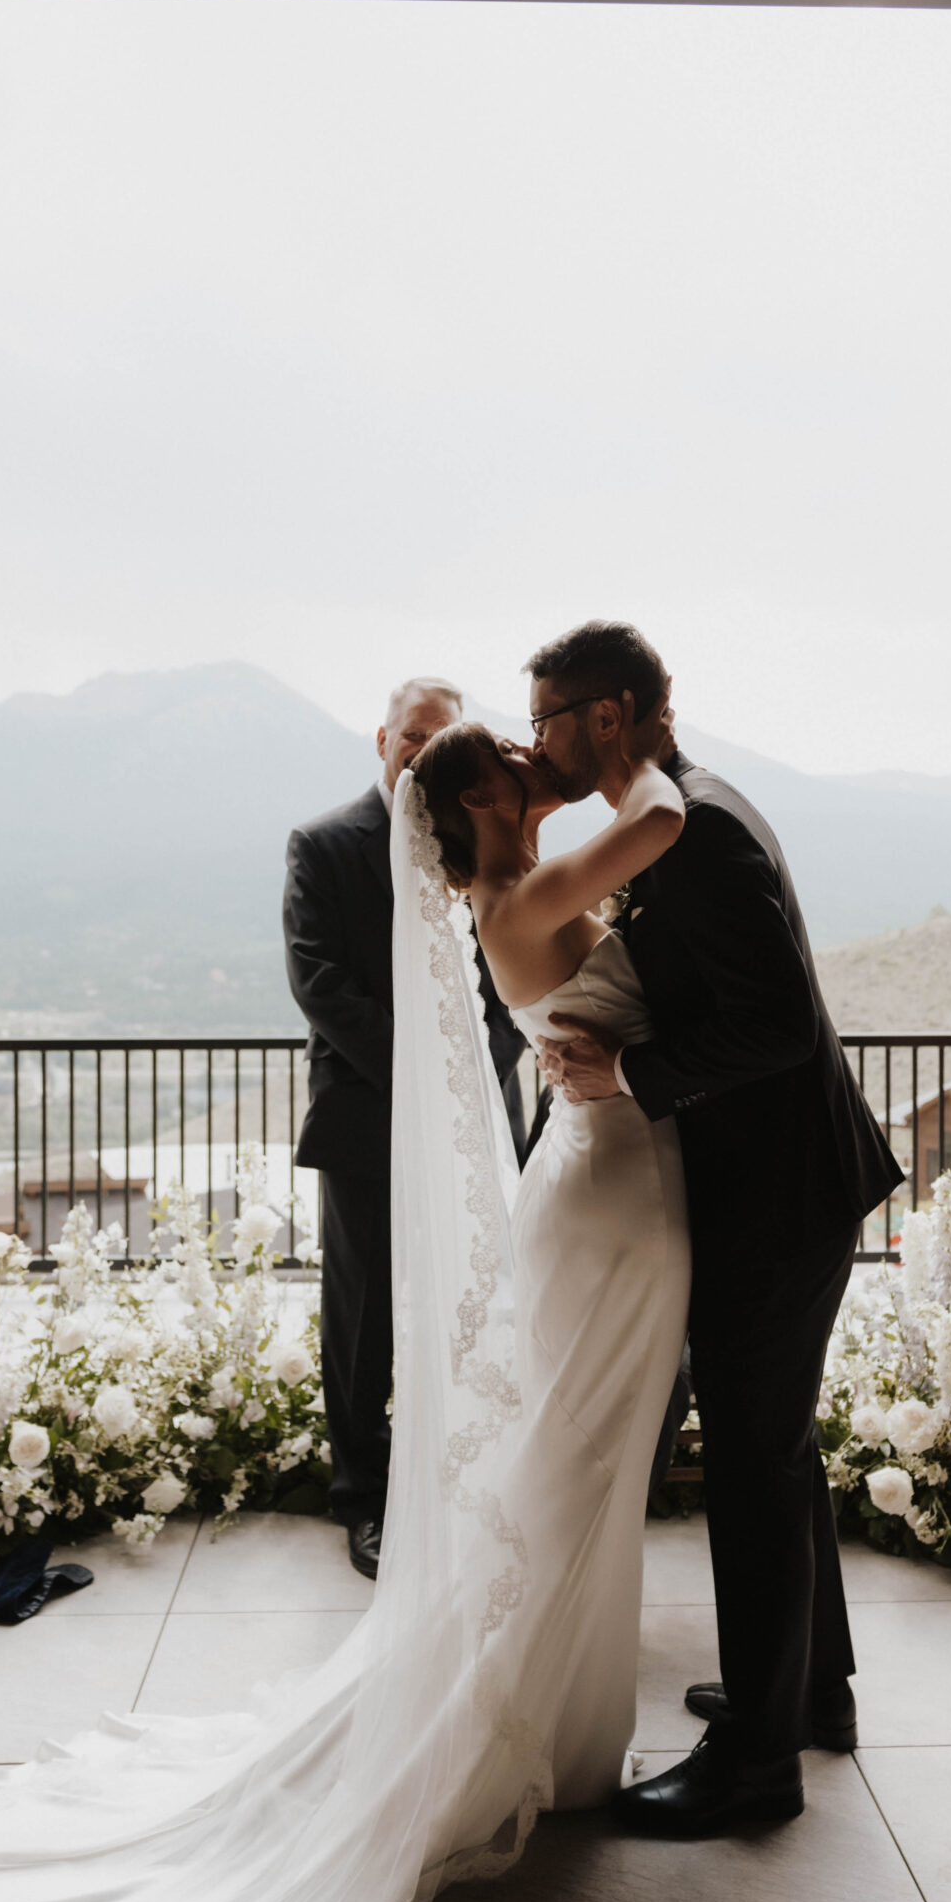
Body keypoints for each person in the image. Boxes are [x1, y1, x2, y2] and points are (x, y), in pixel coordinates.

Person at [0, 699, 690, 1902]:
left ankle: (548, 1709)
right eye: (511, 767)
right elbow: (663, 816)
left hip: (580, 1173)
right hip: (596, 1180)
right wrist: (621, 750)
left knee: (568, 1465)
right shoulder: (525, 889)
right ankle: (542, 1723)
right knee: (566, 1460)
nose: (533, 781)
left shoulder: (505, 886)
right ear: (481, 808)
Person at [529, 619, 904, 1836]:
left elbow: (783, 1026)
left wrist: (630, 1075)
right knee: (774, 1448)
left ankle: (755, 1761)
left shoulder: (703, 830)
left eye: (549, 717)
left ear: (610, 712)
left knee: (752, 1460)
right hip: (779, 1184)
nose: (540, 740)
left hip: (780, 1194)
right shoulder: (679, 814)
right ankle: (808, 1693)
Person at [283, 676, 530, 1578]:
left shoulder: (478, 833)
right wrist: (423, 1079)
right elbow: (320, 984)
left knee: (477, 1300)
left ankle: (464, 1479)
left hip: (476, 1120)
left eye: (440, 740)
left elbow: (511, 970)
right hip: (366, 1117)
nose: (421, 753)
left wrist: (472, 1075)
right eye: (410, 737)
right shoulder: (322, 844)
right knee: (362, 1317)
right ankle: (362, 1499)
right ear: (380, 740)